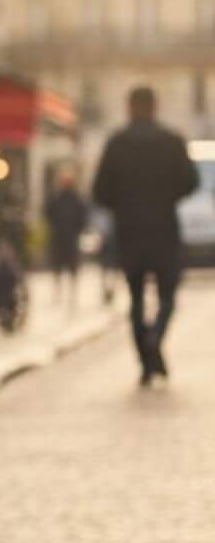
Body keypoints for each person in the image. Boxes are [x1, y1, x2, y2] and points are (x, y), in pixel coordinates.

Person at [91, 85, 199, 384]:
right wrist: (166, 196)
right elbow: (190, 182)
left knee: (136, 297)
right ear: (154, 106)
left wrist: (123, 203)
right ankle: (155, 338)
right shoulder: (172, 141)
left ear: (129, 106)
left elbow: (100, 192)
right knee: (168, 295)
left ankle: (145, 356)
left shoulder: (117, 143)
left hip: (129, 231)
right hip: (164, 227)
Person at [42, 169, 88, 306]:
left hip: (70, 237)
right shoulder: (56, 198)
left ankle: (71, 293)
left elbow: (82, 216)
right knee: (58, 267)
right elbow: (48, 213)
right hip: (59, 237)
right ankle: (58, 292)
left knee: (72, 267)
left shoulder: (75, 199)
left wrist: (77, 229)